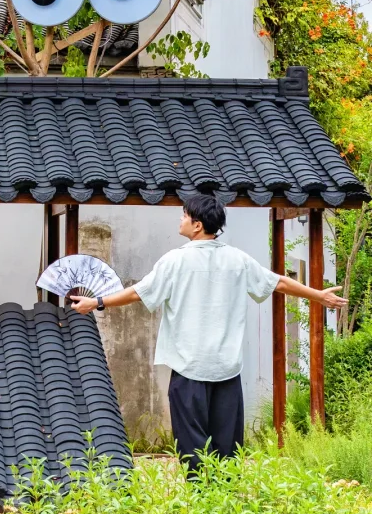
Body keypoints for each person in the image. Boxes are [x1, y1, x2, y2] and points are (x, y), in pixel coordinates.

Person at [70, 192, 346, 466]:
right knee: (228, 446)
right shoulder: (238, 259)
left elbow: (138, 292)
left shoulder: (175, 261)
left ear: (197, 225)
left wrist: (97, 302)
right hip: (227, 369)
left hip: (188, 367)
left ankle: (200, 490)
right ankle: (223, 490)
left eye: (184, 215)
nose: (180, 220)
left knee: (191, 446)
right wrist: (318, 295)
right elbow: (279, 282)